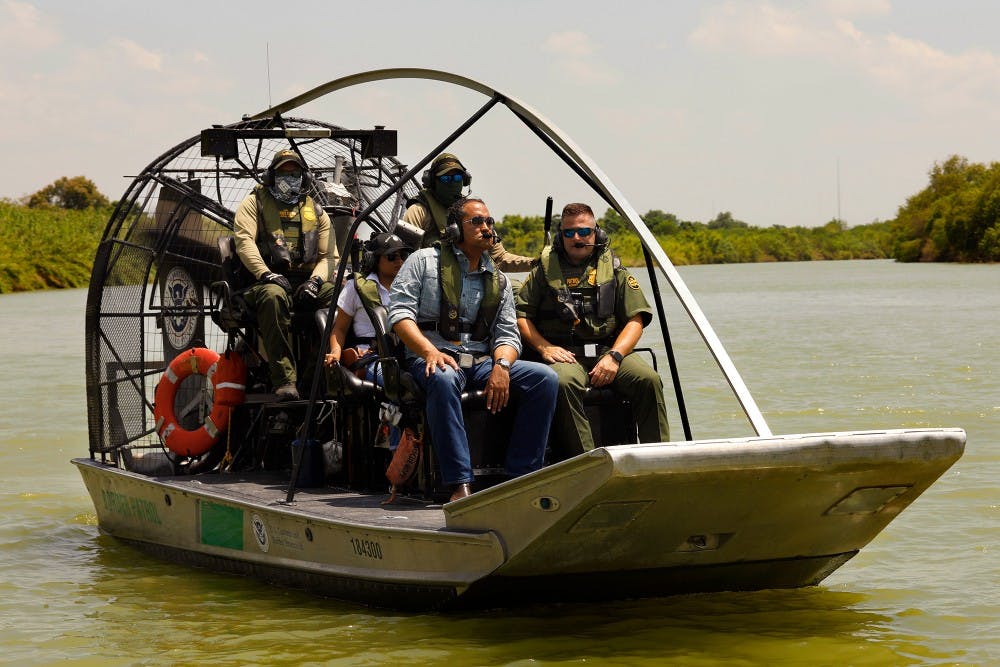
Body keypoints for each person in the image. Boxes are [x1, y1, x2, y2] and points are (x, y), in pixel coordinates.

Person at [388, 196, 558, 502]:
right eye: (476, 222)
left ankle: (521, 475)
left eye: (489, 222)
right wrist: (428, 351)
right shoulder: (423, 261)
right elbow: (399, 315)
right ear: (455, 229)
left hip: (480, 360)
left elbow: (508, 334)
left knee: (544, 379)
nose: (485, 228)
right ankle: (460, 484)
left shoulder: (499, 280)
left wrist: (502, 366)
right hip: (433, 357)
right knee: (443, 378)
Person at [516, 202, 670, 460]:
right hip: (566, 354)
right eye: (568, 233)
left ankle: (660, 459)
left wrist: (616, 356)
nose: (577, 238)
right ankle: (589, 461)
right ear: (560, 235)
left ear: (596, 232)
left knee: (648, 380)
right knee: (562, 383)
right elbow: (522, 316)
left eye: (584, 231)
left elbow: (636, 318)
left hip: (609, 350)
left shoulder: (615, 269)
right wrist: (543, 347)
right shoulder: (543, 272)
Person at [234, 149, 339, 401]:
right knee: (273, 296)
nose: (289, 177)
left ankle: (313, 377)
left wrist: (315, 282)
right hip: (264, 283)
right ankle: (284, 380)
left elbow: (329, 256)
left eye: (294, 173)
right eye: (283, 172)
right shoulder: (254, 202)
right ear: (271, 175)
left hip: (305, 282)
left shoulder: (315, 209)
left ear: (303, 177)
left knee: (341, 298)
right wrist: (265, 273)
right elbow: (244, 241)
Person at [402, 153, 536, 272]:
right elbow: (404, 257)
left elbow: (499, 258)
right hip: (433, 280)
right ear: (432, 182)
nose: (453, 182)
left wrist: (536, 263)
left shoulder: (473, 213)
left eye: (457, 178)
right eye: (446, 179)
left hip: (473, 279)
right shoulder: (418, 211)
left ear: (465, 180)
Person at [323, 232, 411, 384]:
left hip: (405, 353)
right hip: (372, 357)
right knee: (401, 383)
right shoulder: (355, 287)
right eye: (391, 256)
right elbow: (340, 329)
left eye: (402, 255)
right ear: (374, 260)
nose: (399, 261)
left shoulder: (410, 287)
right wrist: (336, 353)